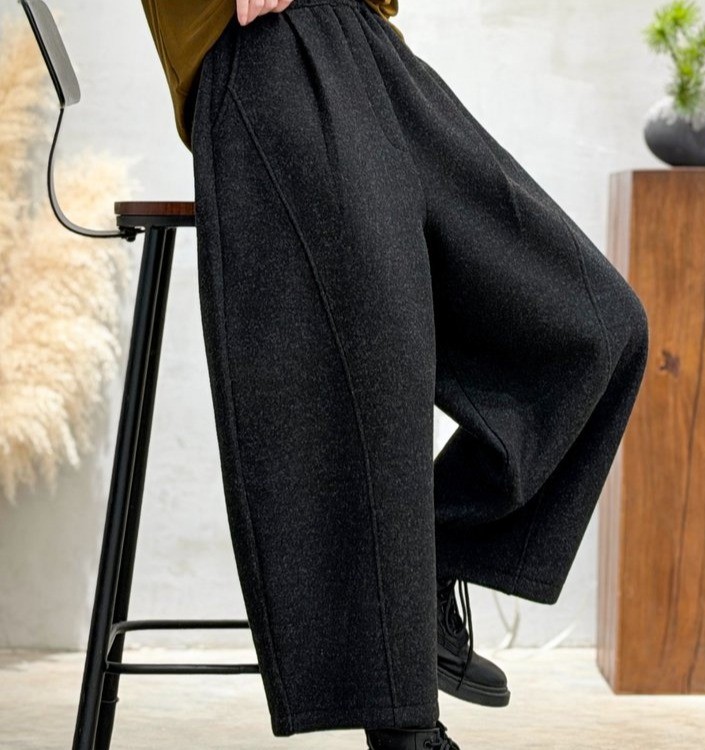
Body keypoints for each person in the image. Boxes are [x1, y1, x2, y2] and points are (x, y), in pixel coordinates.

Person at [140, 1, 650, 747]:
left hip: (371, 49)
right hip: (266, 52)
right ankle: (406, 729)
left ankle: (429, 560)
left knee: (599, 328)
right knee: (375, 373)